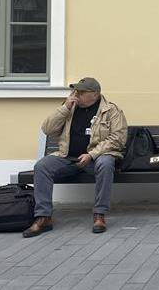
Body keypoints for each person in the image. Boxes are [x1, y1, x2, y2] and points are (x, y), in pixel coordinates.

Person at [23, 77, 128, 237]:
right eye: (75, 91)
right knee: (42, 166)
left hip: (95, 159)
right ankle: (43, 217)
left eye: (81, 92)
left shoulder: (111, 111)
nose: (76, 94)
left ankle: (99, 215)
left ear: (95, 94)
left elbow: (117, 139)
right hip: (68, 158)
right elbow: (47, 129)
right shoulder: (69, 108)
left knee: (106, 163)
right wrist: (64, 108)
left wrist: (91, 155)